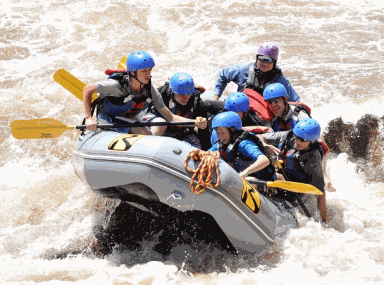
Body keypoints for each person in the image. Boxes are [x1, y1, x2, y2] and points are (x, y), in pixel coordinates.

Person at [82, 51, 207, 134]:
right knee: (142, 131)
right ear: (132, 72)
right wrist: (88, 118)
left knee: (161, 123)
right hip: (110, 119)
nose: (148, 74)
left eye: (149, 70)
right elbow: (88, 89)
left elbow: (170, 117)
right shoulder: (117, 86)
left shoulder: (150, 90)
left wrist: (194, 122)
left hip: (132, 118)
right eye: (143, 71)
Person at [262, 118, 327, 222]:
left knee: (276, 178)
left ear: (312, 141)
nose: (297, 142)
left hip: (295, 190)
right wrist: (265, 145)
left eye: (302, 140)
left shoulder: (313, 160)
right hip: (282, 174)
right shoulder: (290, 136)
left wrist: (323, 222)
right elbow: (260, 137)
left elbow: (320, 193)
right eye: (297, 137)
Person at [211, 42, 299, 102]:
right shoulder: (243, 70)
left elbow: (295, 101)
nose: (264, 63)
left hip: (264, 115)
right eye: (261, 59)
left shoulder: (281, 80)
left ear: (274, 62)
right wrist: (216, 97)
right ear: (257, 59)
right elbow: (222, 75)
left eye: (268, 60)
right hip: (241, 109)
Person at [209, 111, 276, 181]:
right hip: (242, 178)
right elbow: (204, 154)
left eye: (223, 132)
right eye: (218, 133)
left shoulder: (244, 144)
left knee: (247, 180)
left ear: (232, 130)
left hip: (262, 179)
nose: (220, 136)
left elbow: (265, 160)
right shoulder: (222, 144)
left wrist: (244, 173)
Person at [152, 72, 211, 150]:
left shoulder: (196, 101)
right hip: (162, 130)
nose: (186, 98)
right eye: (181, 94)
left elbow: (204, 133)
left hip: (182, 132)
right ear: (171, 91)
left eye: (188, 93)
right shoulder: (161, 94)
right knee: (159, 122)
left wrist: (206, 152)